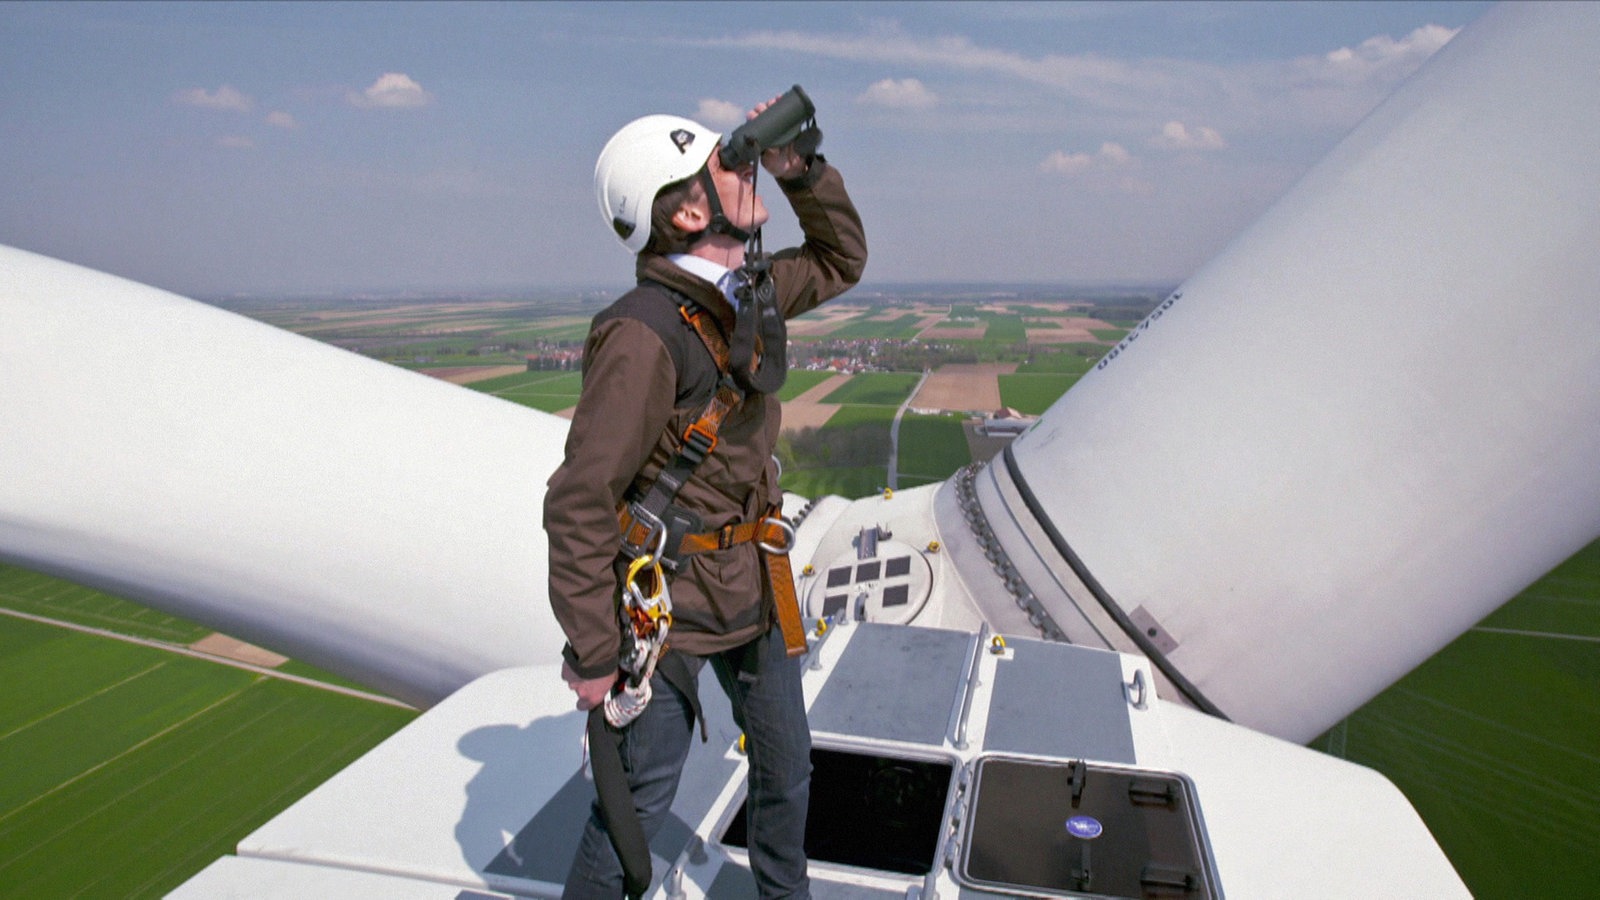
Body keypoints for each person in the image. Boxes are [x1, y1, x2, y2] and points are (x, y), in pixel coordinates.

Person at [544, 94, 867, 899]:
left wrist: (802, 171)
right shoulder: (644, 334)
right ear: (689, 209)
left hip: (754, 584)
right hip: (668, 610)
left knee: (787, 770)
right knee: (641, 800)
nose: (743, 165)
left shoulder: (743, 292)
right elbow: (581, 498)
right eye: (726, 165)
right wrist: (592, 653)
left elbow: (838, 258)